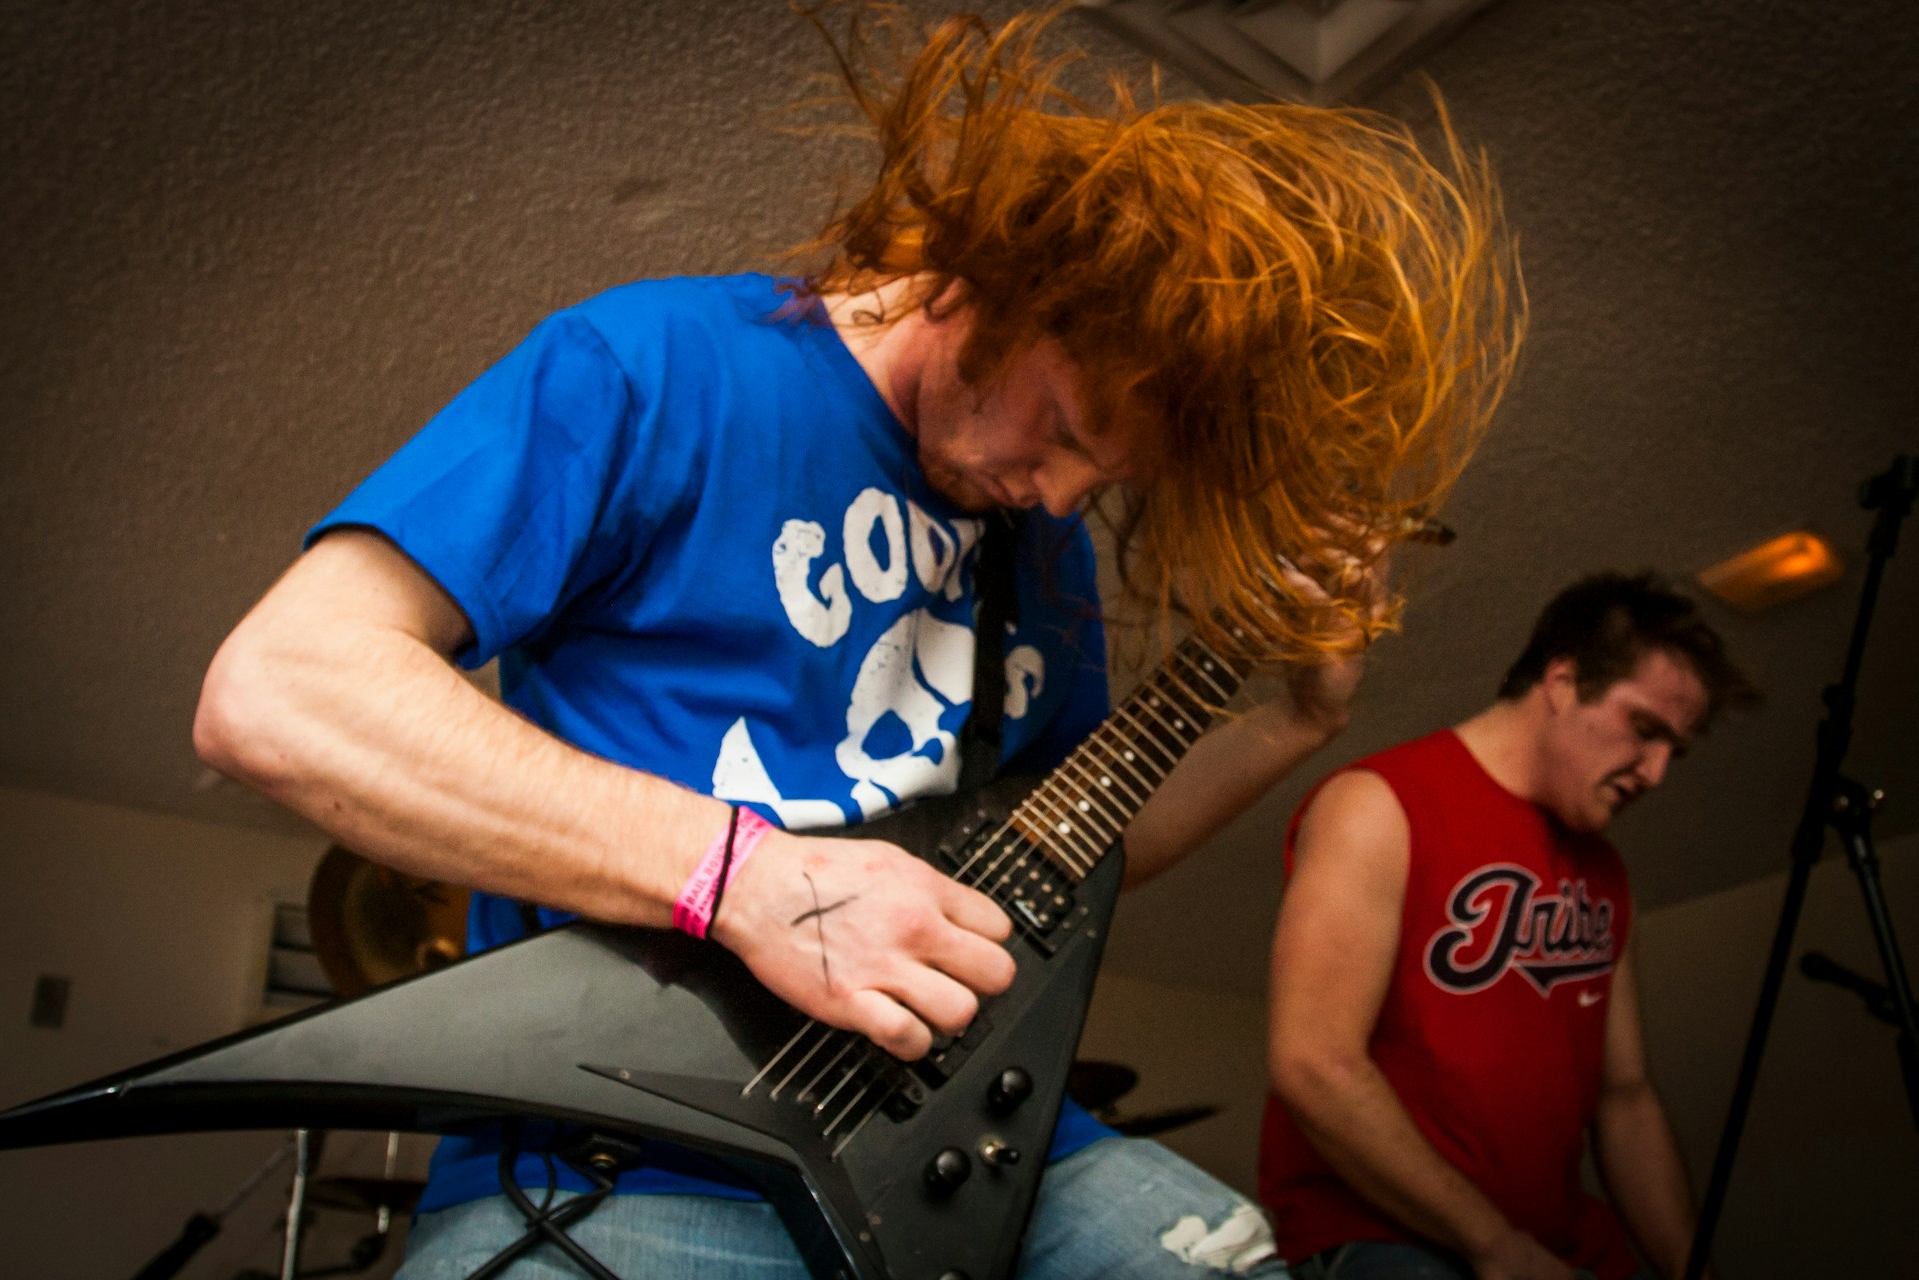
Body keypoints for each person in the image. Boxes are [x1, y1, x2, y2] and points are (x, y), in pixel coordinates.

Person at [192, 8, 1521, 1277]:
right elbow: (280, 690)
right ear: (1005, 274)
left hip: (978, 1146)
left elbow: (1068, 853)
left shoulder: (1035, 550)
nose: (1060, 498)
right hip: (634, 1150)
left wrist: (1294, 721)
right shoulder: (657, 363)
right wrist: (746, 879)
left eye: (1103, 479)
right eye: (1061, 425)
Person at [1260, 573, 1757, 1280]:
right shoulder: (1378, 805)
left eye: (1675, 749)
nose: (1656, 772)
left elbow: (1626, 1098)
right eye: (1645, 730)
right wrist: (1493, 1244)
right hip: (1389, 1238)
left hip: (1553, 1246)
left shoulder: (1608, 877)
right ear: (1562, 680)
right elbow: (1315, 1062)